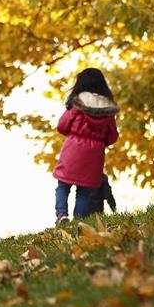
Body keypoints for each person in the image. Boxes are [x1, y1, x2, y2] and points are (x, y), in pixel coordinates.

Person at [53, 68, 119, 224]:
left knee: (63, 185)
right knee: (84, 191)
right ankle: (79, 221)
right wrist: (100, 142)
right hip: (95, 155)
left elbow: (62, 126)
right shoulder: (107, 109)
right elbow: (112, 136)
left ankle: (61, 214)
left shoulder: (77, 104)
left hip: (73, 149)